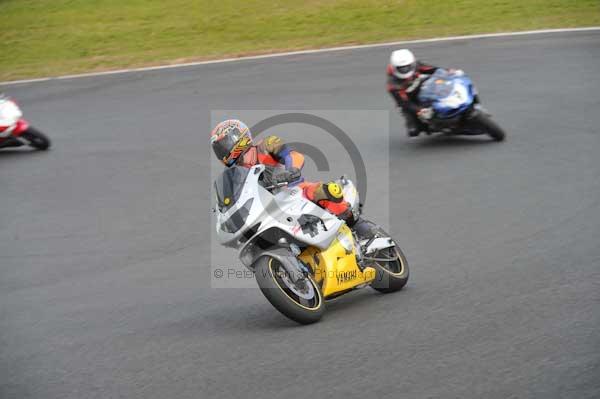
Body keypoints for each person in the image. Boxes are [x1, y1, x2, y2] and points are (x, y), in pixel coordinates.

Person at [210, 119, 353, 222]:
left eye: (223, 145)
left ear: (238, 137)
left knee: (326, 190)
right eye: (218, 149)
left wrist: (292, 170)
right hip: (269, 210)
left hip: (294, 192)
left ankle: (358, 225)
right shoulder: (235, 176)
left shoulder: (266, 145)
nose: (222, 151)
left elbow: (293, 156)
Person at [386, 49, 441, 137]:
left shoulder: (416, 65)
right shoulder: (393, 86)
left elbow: (433, 69)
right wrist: (419, 111)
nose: (405, 70)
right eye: (402, 68)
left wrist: (448, 71)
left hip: (421, 86)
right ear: (394, 67)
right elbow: (405, 103)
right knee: (413, 131)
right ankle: (418, 124)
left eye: (407, 67)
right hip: (409, 99)